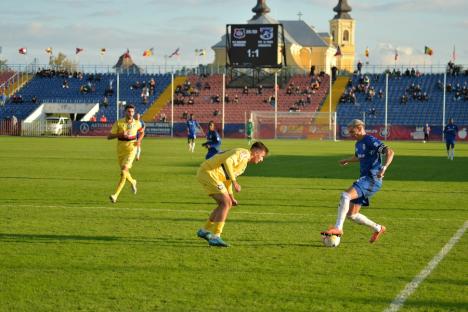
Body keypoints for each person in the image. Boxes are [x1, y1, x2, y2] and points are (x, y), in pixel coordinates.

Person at [322, 119, 394, 243]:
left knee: (345, 195)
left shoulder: (370, 140)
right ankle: (378, 228)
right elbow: (358, 157)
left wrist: (384, 168)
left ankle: (338, 228)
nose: (351, 135)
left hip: (372, 179)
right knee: (352, 215)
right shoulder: (358, 143)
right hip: (365, 179)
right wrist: (347, 160)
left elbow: (390, 152)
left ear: (360, 128)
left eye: (352, 132)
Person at [196, 142, 269, 247]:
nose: (261, 160)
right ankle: (216, 236)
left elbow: (227, 179)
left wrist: (232, 197)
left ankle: (204, 231)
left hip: (212, 175)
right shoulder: (244, 153)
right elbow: (228, 161)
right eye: (262, 156)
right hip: (209, 172)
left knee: (226, 203)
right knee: (225, 203)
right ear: (256, 152)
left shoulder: (243, 164)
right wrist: (235, 182)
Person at [107, 104, 144, 203]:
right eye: (129, 111)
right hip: (120, 151)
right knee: (125, 173)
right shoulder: (119, 123)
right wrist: (120, 134)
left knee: (123, 172)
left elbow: (142, 132)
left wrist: (139, 140)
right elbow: (109, 136)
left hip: (132, 150)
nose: (131, 113)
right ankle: (133, 181)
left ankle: (115, 195)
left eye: (132, 112)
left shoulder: (137, 123)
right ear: (125, 112)